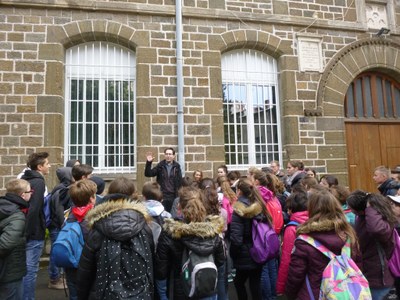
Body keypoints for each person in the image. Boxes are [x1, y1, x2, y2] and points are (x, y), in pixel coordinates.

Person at [76, 176, 154, 299]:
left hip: (106, 292)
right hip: (140, 292)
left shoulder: (97, 228)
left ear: (109, 195)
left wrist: (81, 295)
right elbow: (150, 262)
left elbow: (86, 270)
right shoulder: (145, 226)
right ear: (133, 195)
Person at [285, 189, 362, 299]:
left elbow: (296, 275)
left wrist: (290, 295)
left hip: (314, 293)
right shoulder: (348, 234)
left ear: (311, 209)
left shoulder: (304, 240)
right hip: (345, 294)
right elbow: (357, 265)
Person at [155, 186, 225, 300]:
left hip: (181, 290)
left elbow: (161, 269)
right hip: (208, 289)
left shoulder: (170, 232)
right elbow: (221, 262)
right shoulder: (213, 231)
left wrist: (162, 295)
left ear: (179, 207)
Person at [347, 191, 397, 299]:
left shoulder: (380, 221)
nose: (350, 210)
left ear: (359, 210)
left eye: (351, 208)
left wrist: (370, 206)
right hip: (369, 272)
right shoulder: (363, 217)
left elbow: (377, 230)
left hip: (379, 278)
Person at [230, 178, 272, 300]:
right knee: (255, 283)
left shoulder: (239, 209)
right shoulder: (260, 204)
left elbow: (236, 238)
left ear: (239, 191)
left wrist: (233, 254)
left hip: (244, 251)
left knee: (238, 282)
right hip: (259, 248)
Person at [21, 152, 51, 300]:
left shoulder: (26, 178)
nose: (49, 166)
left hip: (25, 230)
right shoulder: (38, 182)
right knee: (31, 270)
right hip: (33, 232)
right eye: (47, 163)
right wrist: (27, 232)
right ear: (40, 167)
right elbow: (34, 208)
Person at [64, 179, 97, 300]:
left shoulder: (68, 215)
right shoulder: (93, 219)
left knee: (74, 294)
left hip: (71, 263)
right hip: (89, 266)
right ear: (92, 199)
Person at [0, 179, 31, 300]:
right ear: (23, 194)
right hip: (10, 270)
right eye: (30, 191)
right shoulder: (17, 215)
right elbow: (5, 244)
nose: (31, 194)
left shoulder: (4, 205)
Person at [276, 188, 309, 296]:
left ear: (290, 209)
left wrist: (281, 286)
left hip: (298, 275)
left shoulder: (292, 228)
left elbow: (287, 258)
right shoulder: (314, 220)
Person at [47, 167, 74, 290]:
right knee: (55, 252)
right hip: (57, 226)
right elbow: (59, 210)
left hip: (57, 226)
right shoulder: (62, 189)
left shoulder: (62, 188)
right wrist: (63, 224)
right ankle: (54, 278)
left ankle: (58, 277)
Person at [145, 148, 183, 213]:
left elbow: (179, 181)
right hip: (162, 195)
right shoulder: (160, 165)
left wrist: (179, 195)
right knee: (162, 214)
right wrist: (149, 163)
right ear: (164, 155)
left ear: (173, 156)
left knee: (173, 214)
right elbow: (148, 174)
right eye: (166, 154)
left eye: (170, 154)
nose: (168, 156)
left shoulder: (177, 166)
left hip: (173, 195)